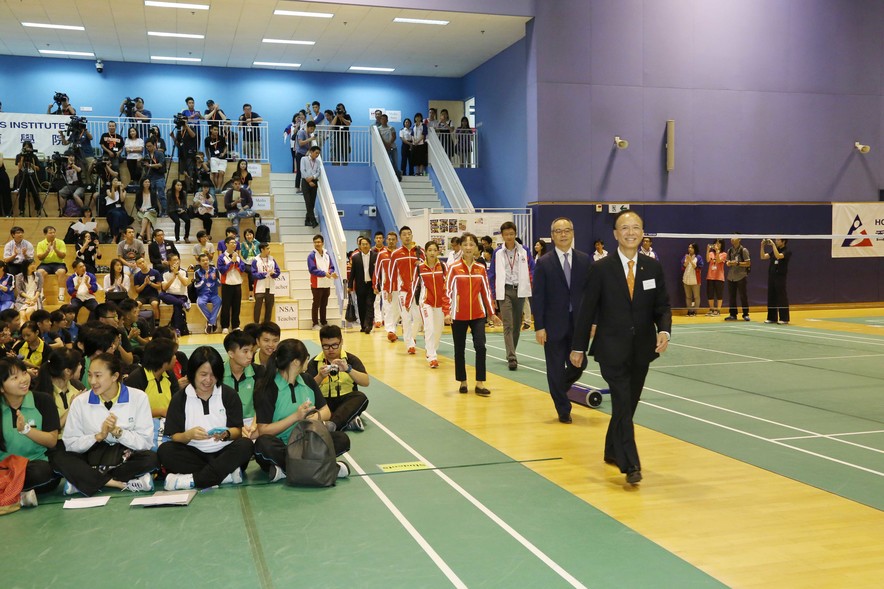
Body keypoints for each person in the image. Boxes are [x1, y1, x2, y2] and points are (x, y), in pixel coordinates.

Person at [570, 210, 672, 486]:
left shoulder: (653, 268)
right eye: (624, 227)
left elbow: (662, 306)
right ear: (615, 234)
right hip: (610, 349)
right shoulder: (601, 268)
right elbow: (586, 310)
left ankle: (612, 450)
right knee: (624, 403)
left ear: (642, 233)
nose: (630, 232)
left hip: (642, 350)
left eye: (635, 227)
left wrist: (664, 330)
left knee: (628, 405)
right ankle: (631, 464)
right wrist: (578, 346)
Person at [50, 353, 157, 496]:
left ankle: (83, 480)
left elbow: (146, 443)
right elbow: (71, 443)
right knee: (58, 456)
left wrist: (119, 433)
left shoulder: (138, 397)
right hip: (91, 454)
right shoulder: (80, 402)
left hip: (123, 454)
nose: (92, 381)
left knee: (151, 458)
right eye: (89, 375)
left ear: (114, 376)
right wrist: (98, 436)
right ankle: (115, 482)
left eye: (98, 375)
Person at [253, 339, 350, 482]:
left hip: (308, 442)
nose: (307, 361)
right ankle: (324, 468)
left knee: (342, 439)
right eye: (307, 357)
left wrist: (312, 419)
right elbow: (264, 430)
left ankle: (287, 470)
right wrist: (296, 417)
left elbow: (326, 412)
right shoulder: (268, 387)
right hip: (283, 445)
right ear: (296, 362)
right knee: (262, 445)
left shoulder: (307, 380)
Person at [158, 346, 253, 490]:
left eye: (213, 375)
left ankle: (194, 480)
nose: (208, 380)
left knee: (246, 445)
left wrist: (226, 434)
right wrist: (188, 435)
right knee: (165, 451)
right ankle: (224, 475)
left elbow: (237, 431)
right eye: (203, 374)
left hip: (223, 451)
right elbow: (175, 436)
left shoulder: (228, 394)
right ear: (193, 373)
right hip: (194, 454)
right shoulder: (180, 398)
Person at [532, 218, 591, 423]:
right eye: (558, 231)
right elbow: (538, 297)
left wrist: (593, 322)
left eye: (567, 230)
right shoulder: (544, 262)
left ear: (573, 233)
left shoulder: (585, 260)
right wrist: (539, 326)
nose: (563, 234)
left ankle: (559, 387)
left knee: (579, 365)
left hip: (578, 325)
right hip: (553, 326)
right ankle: (563, 408)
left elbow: (591, 295)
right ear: (552, 235)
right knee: (555, 367)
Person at [0, 357, 60, 508]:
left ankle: (9, 493)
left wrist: (27, 430)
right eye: (15, 377)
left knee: (44, 472)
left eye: (24, 373)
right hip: (5, 469)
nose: (23, 380)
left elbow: (52, 440)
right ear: (1, 387)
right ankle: (18, 496)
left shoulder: (43, 400)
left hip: (33, 466)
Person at [446, 233, 501, 396]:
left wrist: (492, 313)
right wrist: (447, 312)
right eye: (465, 244)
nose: (468, 248)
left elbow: (486, 292)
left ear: (476, 248)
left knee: (480, 347)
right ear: (461, 247)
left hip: (478, 314)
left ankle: (480, 382)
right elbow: (447, 291)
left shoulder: (481, 268)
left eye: (471, 245)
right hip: (458, 315)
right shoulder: (453, 268)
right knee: (459, 349)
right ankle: (462, 381)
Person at [487, 221, 535, 370]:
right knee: (507, 324)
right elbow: (492, 273)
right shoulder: (498, 252)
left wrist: (531, 285)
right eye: (506, 234)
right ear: (502, 236)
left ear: (515, 235)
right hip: (505, 290)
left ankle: (511, 350)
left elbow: (532, 269)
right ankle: (512, 357)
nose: (509, 237)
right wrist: (493, 295)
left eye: (511, 234)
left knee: (516, 326)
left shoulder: (524, 250)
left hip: (520, 290)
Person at [306, 325, 369, 432]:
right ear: (321, 344)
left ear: (341, 342)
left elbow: (365, 382)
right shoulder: (314, 362)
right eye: (326, 346)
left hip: (346, 401)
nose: (330, 350)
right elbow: (306, 389)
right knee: (310, 406)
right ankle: (347, 422)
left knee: (361, 397)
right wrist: (320, 376)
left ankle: (331, 424)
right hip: (324, 402)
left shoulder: (351, 359)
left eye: (335, 345)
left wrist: (348, 369)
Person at [124, 337, 179, 449]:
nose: (176, 358)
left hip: (167, 427)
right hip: (143, 432)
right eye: (173, 355)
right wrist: (160, 411)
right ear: (163, 359)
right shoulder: (136, 379)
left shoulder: (169, 375)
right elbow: (128, 413)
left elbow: (178, 402)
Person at [387, 226, 424, 353]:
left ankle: (412, 338)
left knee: (418, 317)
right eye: (404, 234)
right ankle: (409, 344)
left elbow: (428, 268)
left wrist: (422, 264)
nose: (407, 236)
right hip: (403, 291)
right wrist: (390, 291)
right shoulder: (396, 254)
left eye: (409, 234)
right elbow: (391, 273)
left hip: (418, 291)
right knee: (406, 318)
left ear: (412, 236)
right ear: (400, 237)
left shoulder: (420, 252)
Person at [32, 348, 83, 437]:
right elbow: (49, 430)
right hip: (56, 445)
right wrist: (73, 407)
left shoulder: (78, 387)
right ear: (67, 371)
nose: (81, 367)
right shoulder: (42, 395)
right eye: (78, 364)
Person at [223, 330, 264, 438]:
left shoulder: (259, 372)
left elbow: (263, 403)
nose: (250, 356)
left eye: (251, 351)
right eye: (245, 351)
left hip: (253, 422)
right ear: (231, 353)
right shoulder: (217, 374)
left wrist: (254, 425)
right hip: (225, 423)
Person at [418, 241, 450, 368]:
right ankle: (432, 356)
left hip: (440, 304)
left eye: (434, 250)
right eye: (429, 250)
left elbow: (448, 287)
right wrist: (409, 301)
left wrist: (448, 307)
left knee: (438, 330)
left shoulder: (443, 267)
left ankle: (431, 349)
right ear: (425, 252)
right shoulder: (420, 268)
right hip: (426, 303)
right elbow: (414, 285)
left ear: (438, 252)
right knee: (429, 328)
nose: (432, 252)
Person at [307, 235, 337, 330]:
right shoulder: (311, 256)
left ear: (323, 243)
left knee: (324, 304)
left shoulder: (327, 254)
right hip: (316, 284)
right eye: (315, 242)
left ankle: (324, 322)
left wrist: (330, 272)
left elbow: (332, 266)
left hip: (326, 283)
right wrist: (324, 273)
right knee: (316, 304)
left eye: (319, 242)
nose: (317, 244)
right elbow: (312, 270)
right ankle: (315, 323)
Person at [348, 236, 376, 334]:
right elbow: (352, 273)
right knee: (361, 306)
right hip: (360, 285)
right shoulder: (355, 257)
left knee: (369, 304)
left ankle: (369, 325)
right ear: (360, 246)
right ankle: (363, 326)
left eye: (366, 244)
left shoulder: (375, 256)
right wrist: (350, 285)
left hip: (371, 285)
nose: (364, 246)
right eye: (362, 244)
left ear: (370, 245)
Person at [217, 237, 245, 333]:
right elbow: (222, 270)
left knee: (237, 306)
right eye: (232, 243)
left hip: (237, 284)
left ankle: (235, 326)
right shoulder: (222, 257)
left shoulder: (238, 256)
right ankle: (225, 326)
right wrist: (231, 263)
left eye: (235, 243)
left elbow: (242, 269)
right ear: (226, 244)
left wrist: (236, 262)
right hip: (227, 284)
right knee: (226, 306)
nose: (234, 244)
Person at [761, 238, 791, 325]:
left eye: (778, 240)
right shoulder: (774, 250)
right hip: (772, 277)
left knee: (781, 297)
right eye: (775, 240)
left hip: (780, 277)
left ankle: (784, 318)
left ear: (783, 241)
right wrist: (762, 246)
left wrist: (773, 245)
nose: (776, 241)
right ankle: (772, 318)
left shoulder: (787, 251)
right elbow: (763, 257)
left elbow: (779, 256)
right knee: (771, 297)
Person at [34, 226, 67, 303]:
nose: (53, 234)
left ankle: (61, 295)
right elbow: (40, 258)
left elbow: (63, 256)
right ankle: (41, 295)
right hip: (45, 264)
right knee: (40, 272)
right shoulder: (40, 243)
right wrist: (47, 251)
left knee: (62, 271)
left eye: (54, 232)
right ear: (45, 234)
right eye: (50, 233)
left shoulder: (61, 242)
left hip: (58, 263)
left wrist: (55, 249)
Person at [160, 254, 191, 336]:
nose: (176, 262)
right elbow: (165, 288)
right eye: (174, 260)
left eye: (178, 260)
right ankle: (183, 304)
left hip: (181, 295)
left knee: (177, 306)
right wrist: (173, 276)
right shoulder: (165, 274)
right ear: (169, 262)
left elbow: (185, 283)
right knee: (161, 295)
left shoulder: (183, 272)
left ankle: (176, 329)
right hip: (170, 296)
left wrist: (177, 273)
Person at [374, 231, 398, 333]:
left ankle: (394, 327)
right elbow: (376, 270)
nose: (391, 241)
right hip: (386, 286)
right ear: (386, 240)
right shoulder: (381, 254)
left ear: (397, 241)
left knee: (397, 309)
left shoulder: (399, 253)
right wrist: (375, 285)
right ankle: (390, 331)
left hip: (399, 287)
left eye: (393, 239)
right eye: (389, 239)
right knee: (387, 308)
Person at [252, 243, 281, 323]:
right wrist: (266, 274)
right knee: (258, 307)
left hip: (270, 286)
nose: (269, 250)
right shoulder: (256, 260)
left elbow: (278, 271)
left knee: (269, 307)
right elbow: (254, 274)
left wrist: (273, 274)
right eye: (267, 248)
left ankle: (266, 324)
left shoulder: (272, 259)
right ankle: (256, 324)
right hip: (259, 287)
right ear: (262, 249)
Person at [725, 235, 751, 321]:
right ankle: (733, 314)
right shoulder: (729, 250)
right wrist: (728, 263)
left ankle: (746, 314)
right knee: (732, 296)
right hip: (731, 277)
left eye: (734, 237)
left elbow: (748, 263)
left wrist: (738, 263)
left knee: (743, 296)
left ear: (739, 239)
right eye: (731, 237)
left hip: (741, 276)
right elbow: (727, 261)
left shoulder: (743, 250)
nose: (732, 239)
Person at [193, 253, 222, 334]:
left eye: (207, 260)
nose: (205, 262)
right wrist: (204, 280)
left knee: (219, 301)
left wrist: (215, 279)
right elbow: (196, 286)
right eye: (203, 261)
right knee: (200, 303)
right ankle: (213, 321)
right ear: (199, 262)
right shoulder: (197, 272)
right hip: (203, 294)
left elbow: (219, 284)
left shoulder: (215, 270)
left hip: (214, 294)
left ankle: (210, 324)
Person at [133, 257, 161, 327]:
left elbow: (159, 286)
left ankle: (156, 325)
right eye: (140, 263)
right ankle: (136, 323)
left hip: (153, 295)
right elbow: (137, 290)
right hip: (142, 296)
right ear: (137, 265)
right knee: (137, 304)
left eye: (143, 261)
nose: (142, 264)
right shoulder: (137, 275)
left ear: (146, 261)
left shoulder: (155, 272)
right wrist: (144, 284)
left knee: (154, 304)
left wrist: (150, 283)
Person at [142, 139, 167, 214]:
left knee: (161, 195)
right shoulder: (147, 156)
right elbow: (145, 167)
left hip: (159, 177)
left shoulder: (159, 154)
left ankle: (165, 211)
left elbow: (160, 164)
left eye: (150, 146)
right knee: (152, 196)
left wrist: (150, 165)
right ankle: (155, 211)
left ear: (154, 145)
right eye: (147, 146)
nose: (148, 148)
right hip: (151, 177)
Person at [300, 145, 322, 228]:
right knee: (308, 201)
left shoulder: (318, 162)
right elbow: (302, 170)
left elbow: (318, 172)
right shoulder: (304, 159)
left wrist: (312, 177)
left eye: (318, 154)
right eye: (316, 153)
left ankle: (307, 220)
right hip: (305, 182)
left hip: (314, 181)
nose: (317, 155)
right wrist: (308, 181)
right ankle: (313, 221)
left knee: (312, 203)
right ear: (311, 152)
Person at [705, 239, 726, 317]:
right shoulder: (711, 253)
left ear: (721, 245)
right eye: (715, 243)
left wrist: (717, 252)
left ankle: (718, 310)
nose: (716, 245)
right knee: (710, 294)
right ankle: (711, 309)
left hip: (719, 277)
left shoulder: (724, 254)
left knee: (719, 294)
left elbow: (717, 261)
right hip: (710, 276)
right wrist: (708, 250)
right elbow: (707, 260)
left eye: (718, 243)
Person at [134, 177, 160, 242]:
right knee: (147, 219)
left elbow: (155, 205)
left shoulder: (153, 193)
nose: (147, 183)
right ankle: (149, 239)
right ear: (142, 183)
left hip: (152, 211)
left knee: (147, 214)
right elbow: (136, 205)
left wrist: (148, 209)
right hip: (141, 212)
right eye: (145, 182)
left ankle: (141, 235)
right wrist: (140, 209)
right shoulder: (139, 193)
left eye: (148, 182)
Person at [681, 243, 703, 317]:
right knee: (688, 296)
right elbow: (683, 267)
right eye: (689, 247)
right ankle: (690, 311)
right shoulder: (685, 256)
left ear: (695, 249)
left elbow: (698, 268)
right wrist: (686, 261)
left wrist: (691, 261)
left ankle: (695, 311)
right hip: (686, 279)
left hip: (695, 280)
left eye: (692, 248)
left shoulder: (698, 257)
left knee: (696, 296)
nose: (690, 249)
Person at [104, 178, 129, 243]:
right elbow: (113, 197)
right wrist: (113, 187)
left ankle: (123, 235)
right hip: (112, 209)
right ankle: (115, 237)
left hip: (120, 209)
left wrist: (121, 189)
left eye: (117, 180)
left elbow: (122, 200)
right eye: (114, 180)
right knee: (116, 215)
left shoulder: (124, 191)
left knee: (124, 214)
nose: (116, 182)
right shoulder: (108, 190)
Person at [204, 125, 228, 190]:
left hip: (222, 158)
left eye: (217, 130)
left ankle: (219, 188)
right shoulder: (207, 139)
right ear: (211, 130)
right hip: (213, 157)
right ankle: (216, 188)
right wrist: (208, 158)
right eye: (214, 130)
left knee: (221, 173)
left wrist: (223, 153)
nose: (216, 131)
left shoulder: (221, 138)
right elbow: (206, 149)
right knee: (215, 173)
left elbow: (225, 147)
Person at [240, 228, 261, 302]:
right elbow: (244, 256)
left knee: (251, 273)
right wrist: (248, 249)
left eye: (250, 234)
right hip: (246, 263)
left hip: (255, 263)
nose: (249, 236)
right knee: (251, 271)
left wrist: (253, 249)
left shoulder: (257, 243)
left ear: (253, 235)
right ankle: (252, 291)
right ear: (245, 236)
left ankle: (251, 293)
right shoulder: (243, 244)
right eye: (247, 235)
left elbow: (258, 255)